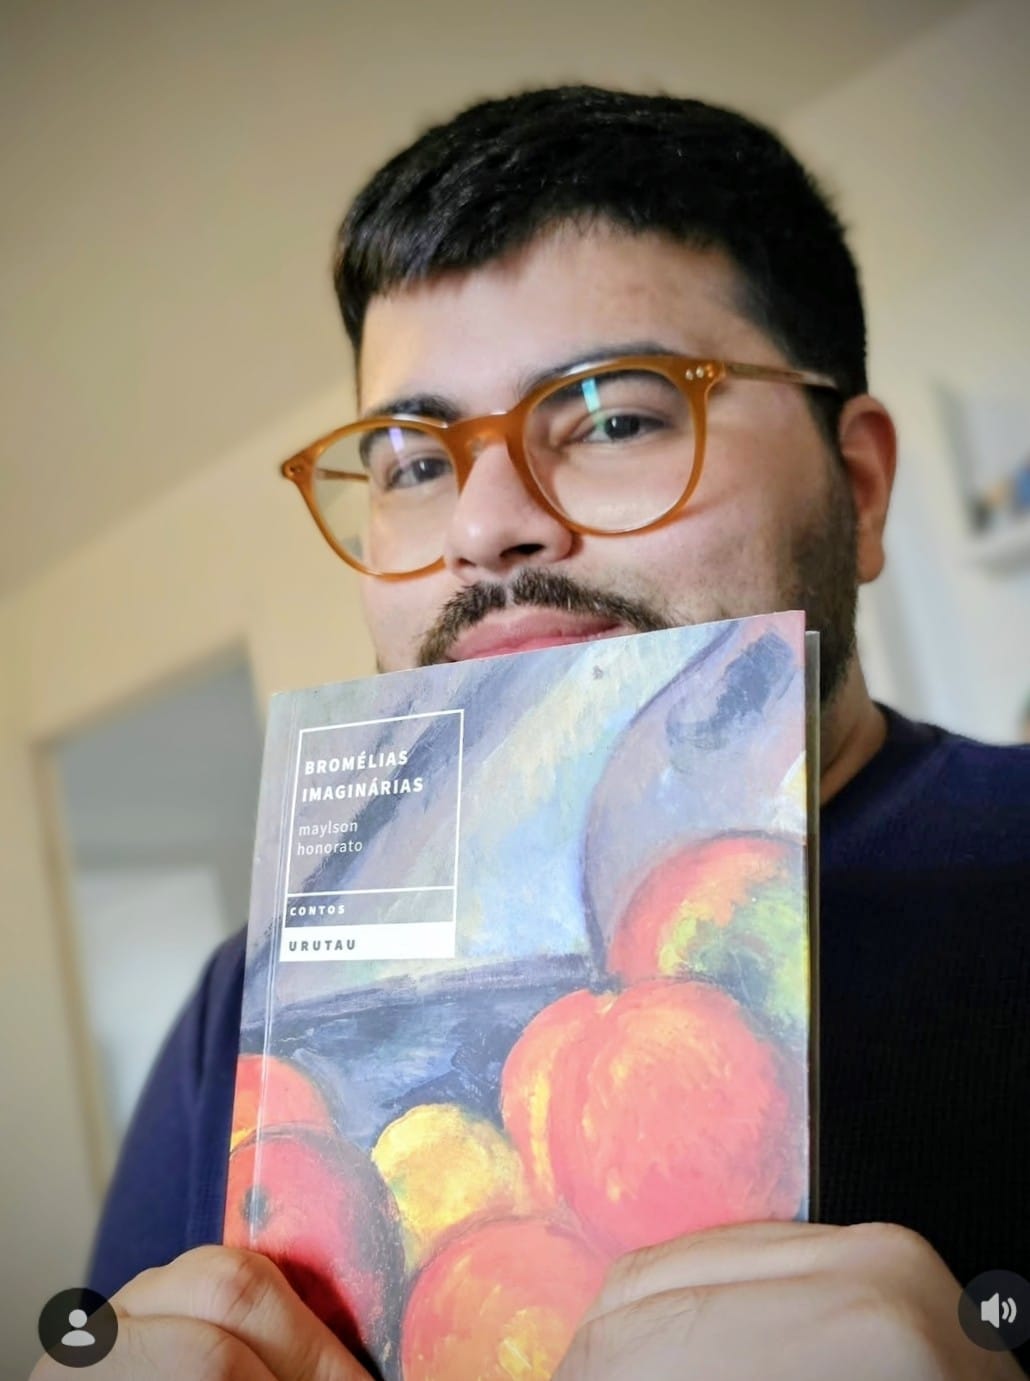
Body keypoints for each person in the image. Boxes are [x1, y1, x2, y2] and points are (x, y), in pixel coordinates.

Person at [37, 85, 1029, 1380]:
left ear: (859, 485)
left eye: (614, 416)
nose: (484, 524)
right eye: (412, 461)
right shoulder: (243, 1016)